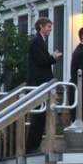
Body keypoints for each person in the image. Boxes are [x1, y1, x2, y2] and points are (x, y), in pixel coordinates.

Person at [26, 17, 63, 154]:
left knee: (41, 115)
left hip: (41, 83)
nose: (51, 29)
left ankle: (34, 145)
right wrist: (53, 57)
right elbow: (41, 61)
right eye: (48, 26)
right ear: (41, 26)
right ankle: (31, 146)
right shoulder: (37, 41)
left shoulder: (40, 41)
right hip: (38, 84)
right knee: (39, 115)